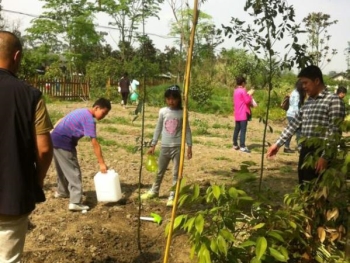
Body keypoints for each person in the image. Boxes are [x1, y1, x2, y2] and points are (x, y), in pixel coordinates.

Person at [0, 31, 53, 262]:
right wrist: (36, 181)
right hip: (12, 198)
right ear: (17, 56)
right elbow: (44, 149)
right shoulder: (31, 96)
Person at [267, 65, 345, 187]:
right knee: (304, 185)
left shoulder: (333, 101)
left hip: (321, 151)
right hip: (306, 151)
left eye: (305, 83)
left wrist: (325, 157)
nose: (303, 86)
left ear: (317, 81)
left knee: (318, 189)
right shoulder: (309, 101)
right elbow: (294, 124)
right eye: (302, 83)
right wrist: (277, 144)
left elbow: (334, 132)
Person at [51, 98, 111, 211]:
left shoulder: (81, 111)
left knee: (62, 169)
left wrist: (53, 130)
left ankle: (62, 191)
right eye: (104, 113)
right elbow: (94, 142)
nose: (104, 116)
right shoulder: (89, 120)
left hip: (54, 138)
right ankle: (75, 201)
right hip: (64, 142)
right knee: (74, 172)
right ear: (96, 108)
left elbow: (62, 119)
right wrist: (101, 163)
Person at [141, 85, 193, 207]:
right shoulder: (163, 111)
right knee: (160, 171)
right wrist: (153, 144)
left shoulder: (183, 113)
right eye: (168, 98)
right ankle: (154, 191)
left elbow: (187, 130)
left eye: (174, 99)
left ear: (179, 99)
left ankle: (173, 195)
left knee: (176, 173)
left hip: (178, 147)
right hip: (164, 146)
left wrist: (189, 146)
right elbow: (158, 128)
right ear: (165, 99)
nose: (171, 101)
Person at [283, 80, 307, 153]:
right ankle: (300, 147)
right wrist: (300, 116)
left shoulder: (294, 92)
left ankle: (286, 147)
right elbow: (296, 106)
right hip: (294, 114)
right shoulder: (297, 94)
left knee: (291, 131)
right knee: (298, 131)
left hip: (290, 114)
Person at [232, 76, 254, 153]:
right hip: (243, 113)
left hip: (237, 113)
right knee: (243, 130)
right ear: (243, 83)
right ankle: (242, 146)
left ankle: (235, 144)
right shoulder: (243, 90)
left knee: (237, 129)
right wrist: (250, 94)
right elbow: (247, 101)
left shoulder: (235, 91)